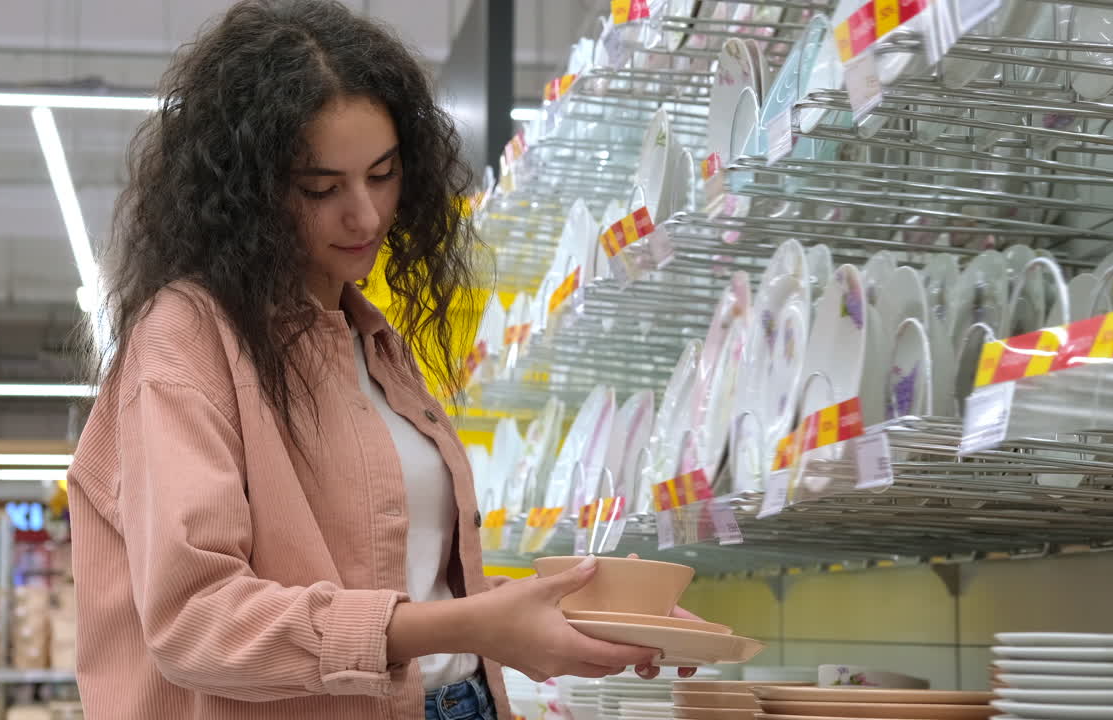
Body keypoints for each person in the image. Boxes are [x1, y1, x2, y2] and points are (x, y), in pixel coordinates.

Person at [67, 2, 693, 718]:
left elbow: (407, 587)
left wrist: (596, 610)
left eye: (384, 174)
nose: (365, 216)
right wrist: (472, 625)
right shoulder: (185, 340)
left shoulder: (370, 341)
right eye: (321, 188)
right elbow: (198, 621)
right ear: (243, 192)